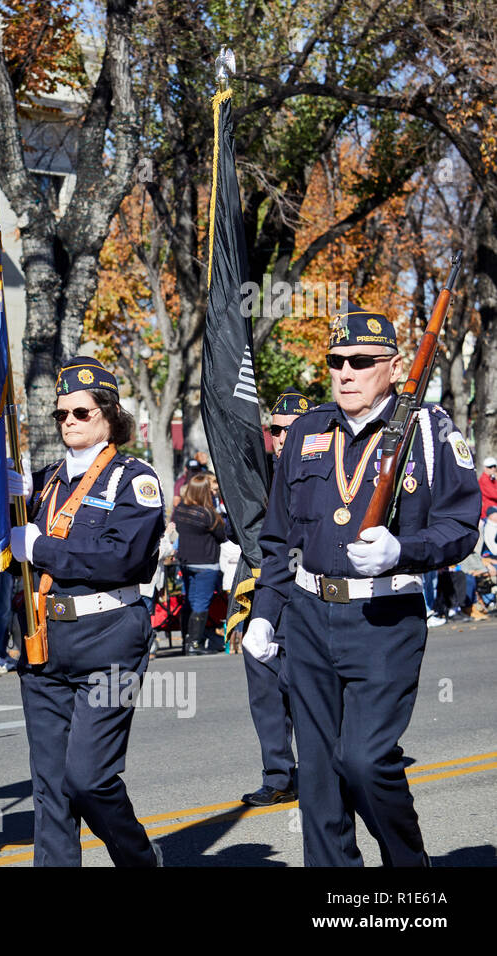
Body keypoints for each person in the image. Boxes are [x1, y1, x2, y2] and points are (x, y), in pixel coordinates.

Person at [243, 310, 480, 866]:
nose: (346, 372)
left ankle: (408, 867)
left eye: (362, 362)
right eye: (336, 362)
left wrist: (406, 550)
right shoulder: (306, 429)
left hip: (384, 620)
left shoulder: (429, 429)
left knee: (366, 761)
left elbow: (462, 524)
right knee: (321, 778)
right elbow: (278, 536)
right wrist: (264, 612)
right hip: (306, 614)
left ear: (396, 367)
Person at [6, 357, 165, 867]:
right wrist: (5, 500)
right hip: (45, 638)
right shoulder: (46, 482)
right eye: (61, 415)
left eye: (81, 411)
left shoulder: (132, 479)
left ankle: (140, 859)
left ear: (109, 416)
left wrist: (42, 548)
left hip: (108, 636)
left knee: (88, 777)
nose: (69, 421)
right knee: (50, 786)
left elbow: (125, 558)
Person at [238, 388, 309, 808]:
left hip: (308, 596)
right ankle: (279, 774)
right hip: (269, 592)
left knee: (307, 690)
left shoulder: (324, 469)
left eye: (289, 430)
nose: (280, 438)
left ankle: (325, 770)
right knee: (266, 692)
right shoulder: (259, 474)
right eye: (275, 430)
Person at [172, 473, 230, 655]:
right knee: (201, 603)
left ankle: (186, 641)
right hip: (206, 562)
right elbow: (222, 535)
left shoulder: (181, 509)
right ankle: (194, 644)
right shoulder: (207, 514)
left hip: (186, 560)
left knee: (189, 601)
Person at [480, 456, 497, 520]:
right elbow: (494, 494)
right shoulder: (484, 480)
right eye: (490, 467)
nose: (493, 468)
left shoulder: (492, 479)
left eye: (494, 466)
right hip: (489, 508)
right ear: (485, 468)